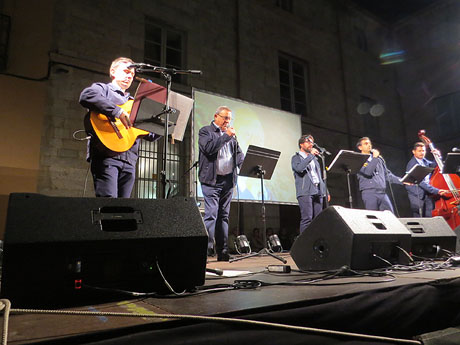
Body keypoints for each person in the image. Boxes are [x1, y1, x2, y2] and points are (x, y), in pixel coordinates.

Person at [79, 57, 161, 198]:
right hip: (106, 155)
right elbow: (86, 96)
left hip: (129, 160)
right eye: (125, 71)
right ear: (113, 72)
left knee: (124, 208)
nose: (129, 76)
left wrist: (164, 126)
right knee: (109, 204)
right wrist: (117, 111)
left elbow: (150, 135)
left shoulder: (133, 103)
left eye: (132, 74)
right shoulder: (103, 89)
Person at [198, 106, 244, 261]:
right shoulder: (205, 131)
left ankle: (222, 252)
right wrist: (226, 136)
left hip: (228, 181)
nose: (227, 121)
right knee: (211, 215)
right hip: (211, 181)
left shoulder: (231, 136)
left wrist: (247, 165)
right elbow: (209, 149)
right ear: (216, 116)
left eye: (229, 119)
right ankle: (206, 250)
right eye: (225, 118)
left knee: (223, 216)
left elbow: (238, 154)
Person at [291, 134, 329, 233]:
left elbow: (319, 177)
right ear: (301, 144)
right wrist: (311, 156)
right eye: (308, 142)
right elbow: (299, 169)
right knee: (307, 219)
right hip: (305, 191)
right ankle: (304, 244)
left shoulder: (315, 160)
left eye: (312, 142)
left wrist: (326, 191)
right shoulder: (296, 158)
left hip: (318, 190)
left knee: (318, 220)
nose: (311, 144)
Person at [356, 137, 403, 212]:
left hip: (382, 192)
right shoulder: (358, 160)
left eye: (370, 143)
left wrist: (402, 180)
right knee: (374, 217)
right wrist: (374, 158)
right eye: (366, 144)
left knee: (390, 215)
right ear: (360, 147)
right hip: (369, 193)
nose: (369, 145)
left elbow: (387, 175)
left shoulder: (378, 159)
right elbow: (368, 172)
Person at [405, 142, 446, 217]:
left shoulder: (424, 161)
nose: (422, 153)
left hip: (427, 192)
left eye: (423, 151)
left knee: (429, 216)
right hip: (417, 194)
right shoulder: (412, 164)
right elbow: (421, 182)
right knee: (419, 217)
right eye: (419, 151)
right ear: (414, 152)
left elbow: (433, 166)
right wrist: (436, 191)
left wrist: (438, 156)